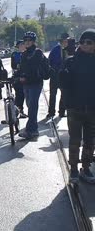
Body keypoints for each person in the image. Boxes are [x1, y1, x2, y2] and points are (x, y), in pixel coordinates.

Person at [59, 29, 95, 184]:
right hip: (75, 108)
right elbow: (63, 85)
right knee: (74, 140)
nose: (85, 45)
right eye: (82, 42)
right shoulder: (71, 61)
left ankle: (85, 168)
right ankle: (73, 168)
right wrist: (63, 76)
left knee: (90, 141)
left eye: (89, 42)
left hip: (93, 109)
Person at [18, 31, 50, 139]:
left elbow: (34, 68)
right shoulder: (24, 53)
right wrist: (17, 76)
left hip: (36, 83)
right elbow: (22, 68)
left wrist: (26, 75)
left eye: (29, 40)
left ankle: (31, 130)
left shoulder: (37, 53)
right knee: (29, 105)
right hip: (26, 84)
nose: (27, 42)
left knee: (32, 107)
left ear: (33, 41)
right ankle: (34, 128)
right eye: (25, 40)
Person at [47, 32, 69, 118]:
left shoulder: (69, 50)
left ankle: (62, 111)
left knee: (64, 94)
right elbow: (49, 61)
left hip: (64, 76)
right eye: (65, 41)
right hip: (55, 75)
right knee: (53, 94)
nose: (66, 43)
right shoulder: (55, 49)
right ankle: (51, 112)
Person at [11, 40, 28, 118]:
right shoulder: (15, 54)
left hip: (26, 77)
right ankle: (19, 111)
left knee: (24, 95)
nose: (23, 46)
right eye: (21, 45)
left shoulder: (27, 53)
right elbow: (14, 66)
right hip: (17, 77)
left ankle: (18, 110)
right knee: (19, 95)